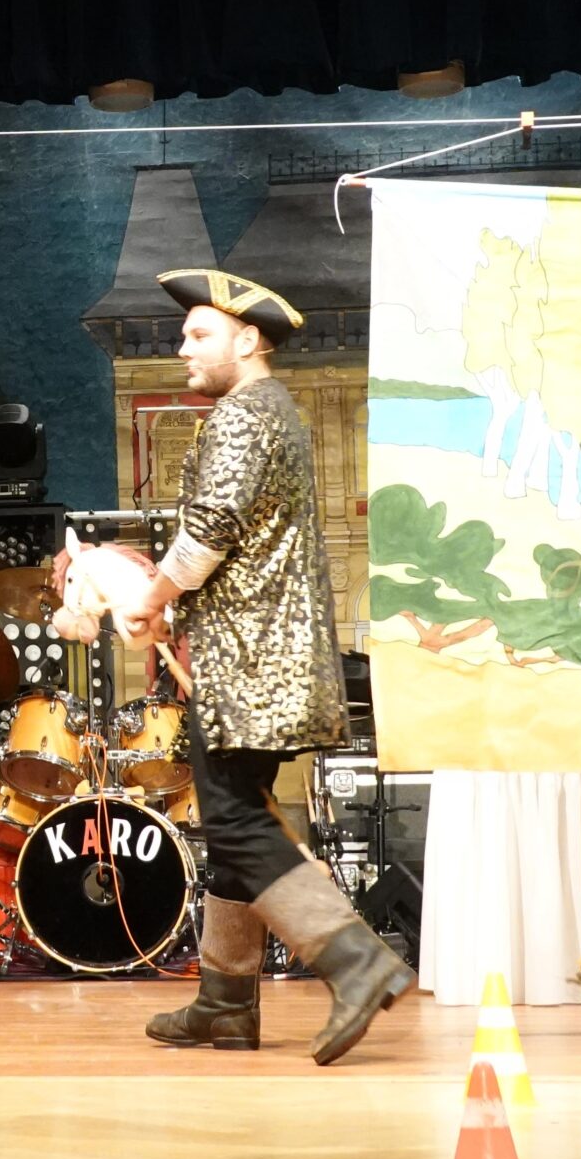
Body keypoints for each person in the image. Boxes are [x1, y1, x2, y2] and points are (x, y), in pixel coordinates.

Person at [82, 267, 413, 1064]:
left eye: (200, 333)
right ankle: (226, 1000)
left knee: (233, 817)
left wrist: (149, 598)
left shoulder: (243, 415)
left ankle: (355, 960)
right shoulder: (270, 413)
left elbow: (210, 530)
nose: (183, 347)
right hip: (264, 653)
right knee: (237, 817)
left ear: (250, 338)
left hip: (251, 660)